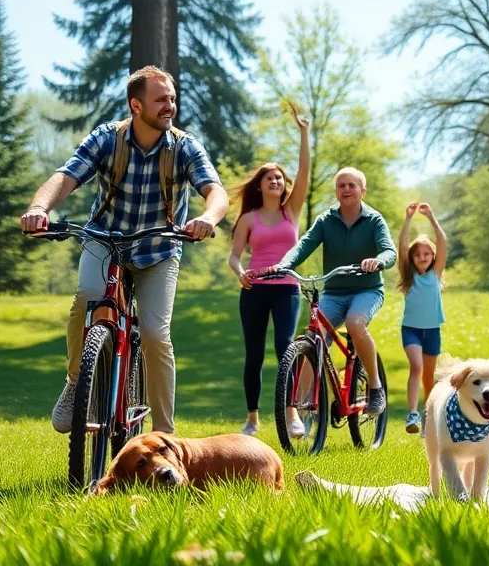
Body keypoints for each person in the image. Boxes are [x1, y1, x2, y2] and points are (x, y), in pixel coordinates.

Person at [21, 66, 227, 435]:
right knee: (87, 297)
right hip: (106, 241)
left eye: (173, 99)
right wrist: (40, 208)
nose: (170, 106)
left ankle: (165, 435)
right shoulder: (107, 139)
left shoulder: (183, 146)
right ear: (136, 105)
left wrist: (208, 218)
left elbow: (216, 191)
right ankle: (74, 384)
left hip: (159, 250)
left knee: (154, 335)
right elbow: (65, 177)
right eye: (161, 100)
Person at [264, 167, 396, 419]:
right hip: (334, 292)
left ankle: (375, 386)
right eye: (341, 186)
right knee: (314, 337)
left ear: (362, 191)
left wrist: (377, 261)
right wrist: (284, 265)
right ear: (336, 191)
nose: (346, 189)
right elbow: (303, 244)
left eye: (352, 185)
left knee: (355, 323)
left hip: (366, 290)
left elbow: (390, 251)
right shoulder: (326, 220)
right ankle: (302, 406)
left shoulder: (374, 220)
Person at [226, 108, 311, 437]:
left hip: (287, 287)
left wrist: (304, 132)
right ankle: (252, 419)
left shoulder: (292, 210)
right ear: (260, 186)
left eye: (279, 177)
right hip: (255, 289)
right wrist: (240, 273)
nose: (276, 181)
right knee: (254, 354)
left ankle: (291, 414)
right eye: (269, 178)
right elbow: (234, 257)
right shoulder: (249, 218)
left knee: (285, 346)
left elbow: (305, 170)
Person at [398, 202, 447, 435]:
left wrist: (431, 217)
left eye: (427, 254)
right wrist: (408, 219)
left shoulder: (436, 274)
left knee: (429, 379)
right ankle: (412, 413)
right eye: (418, 255)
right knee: (416, 367)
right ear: (412, 258)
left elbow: (443, 242)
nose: (422, 257)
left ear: (433, 257)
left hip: (432, 331)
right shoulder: (408, 274)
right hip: (411, 330)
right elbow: (402, 245)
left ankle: (429, 417)